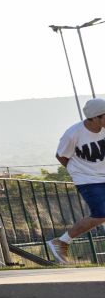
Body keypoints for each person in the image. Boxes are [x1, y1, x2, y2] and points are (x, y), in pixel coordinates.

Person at [45, 98, 105, 264]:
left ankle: (62, 242)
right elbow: (61, 155)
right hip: (87, 179)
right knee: (101, 213)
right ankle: (61, 242)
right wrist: (76, 172)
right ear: (95, 117)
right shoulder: (73, 134)